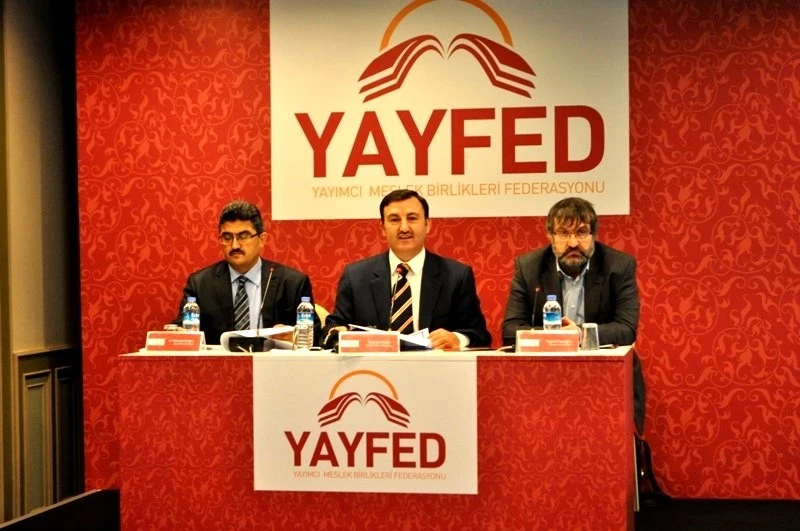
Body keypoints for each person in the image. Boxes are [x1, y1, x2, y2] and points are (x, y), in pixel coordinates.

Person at [501, 197, 646, 431]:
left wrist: (578, 334)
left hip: (607, 379)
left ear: (594, 235)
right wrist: (558, 338)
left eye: (581, 232)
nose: (573, 243)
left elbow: (626, 330)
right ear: (550, 236)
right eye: (563, 233)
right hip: (544, 380)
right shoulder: (528, 268)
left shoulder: (619, 266)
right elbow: (510, 332)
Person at [323, 189, 491, 350]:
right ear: (382, 228)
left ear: (427, 224)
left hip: (436, 367)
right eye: (394, 220)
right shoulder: (356, 276)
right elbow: (334, 326)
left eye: (412, 218)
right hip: (374, 368)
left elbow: (479, 334)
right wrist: (339, 332)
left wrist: (458, 338)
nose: (404, 228)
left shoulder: (456, 276)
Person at [173, 200, 320, 345]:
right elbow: (183, 331)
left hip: (274, 360)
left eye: (243, 236)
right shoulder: (200, 284)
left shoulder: (293, 283)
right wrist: (178, 334)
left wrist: (295, 336)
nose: (235, 245)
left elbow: (315, 333)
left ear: (262, 239)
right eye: (227, 238)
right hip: (220, 361)